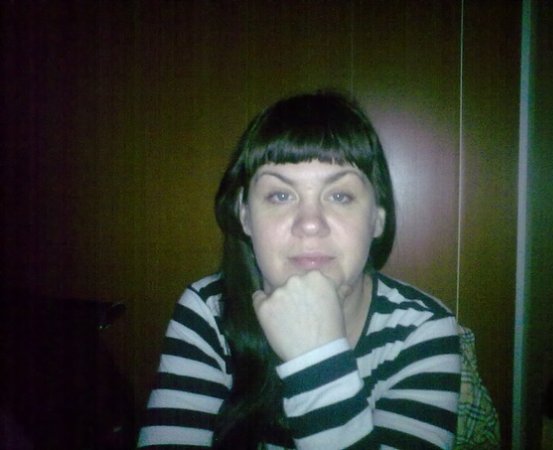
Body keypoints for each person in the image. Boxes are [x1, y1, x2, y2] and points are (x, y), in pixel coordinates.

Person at [137, 91, 462, 449]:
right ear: (245, 216)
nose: (310, 223)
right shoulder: (209, 310)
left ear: (377, 219)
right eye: (280, 195)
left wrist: (316, 359)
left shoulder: (422, 331)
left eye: (340, 196)